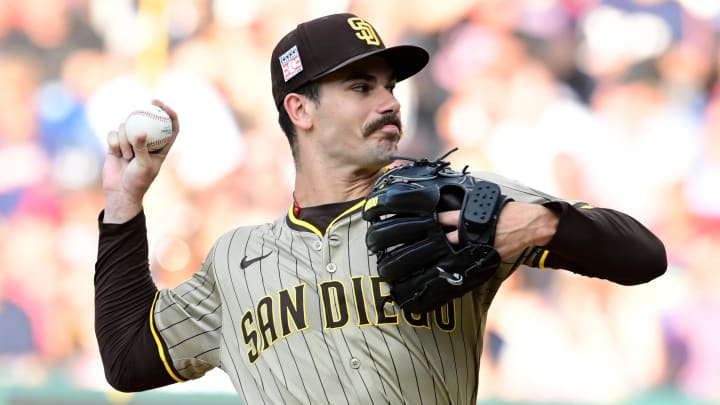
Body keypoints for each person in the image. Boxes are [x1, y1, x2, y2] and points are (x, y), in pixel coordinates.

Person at [94, 13, 667, 404]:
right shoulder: (235, 259)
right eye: (361, 87)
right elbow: (127, 360)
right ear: (301, 108)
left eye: (389, 85)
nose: (390, 101)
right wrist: (124, 205)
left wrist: (543, 221)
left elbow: (644, 257)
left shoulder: (451, 203)